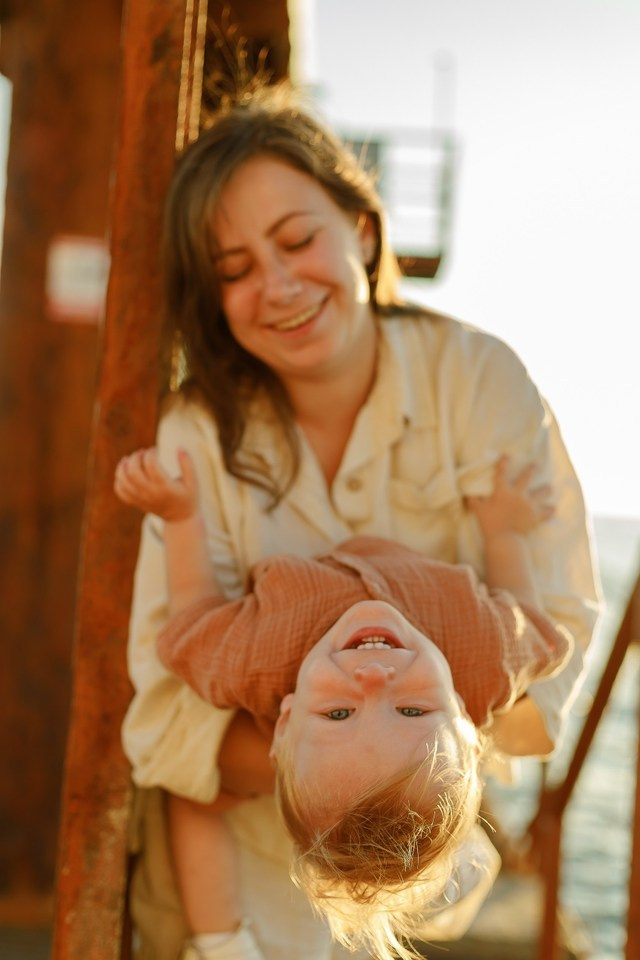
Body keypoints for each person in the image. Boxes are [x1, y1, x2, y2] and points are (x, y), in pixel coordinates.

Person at [120, 80, 601, 960]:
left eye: (298, 240)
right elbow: (160, 718)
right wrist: (320, 745)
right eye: (233, 271)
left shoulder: (480, 381)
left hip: (421, 888)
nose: (276, 286)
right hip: (223, 897)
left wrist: (385, 760)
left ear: (364, 231)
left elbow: (547, 677)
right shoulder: (194, 435)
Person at [115, 446, 571, 960]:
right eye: (413, 710)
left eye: (339, 712)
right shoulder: (487, 656)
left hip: (295, 761)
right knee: (402, 823)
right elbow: (535, 626)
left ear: (284, 720)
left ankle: (220, 942)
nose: (375, 679)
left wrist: (181, 516)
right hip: (349, 764)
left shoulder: (254, 656)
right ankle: (436, 858)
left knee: (193, 794)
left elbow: (191, 623)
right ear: (467, 719)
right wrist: (505, 533)